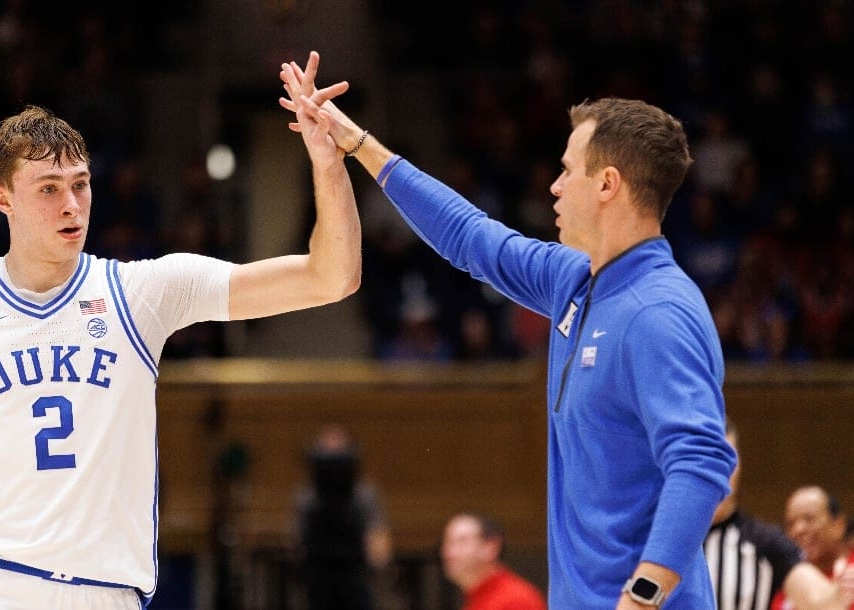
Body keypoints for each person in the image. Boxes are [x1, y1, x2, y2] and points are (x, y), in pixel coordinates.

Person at [0, 51, 362, 610]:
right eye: (48, 188)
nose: (71, 205)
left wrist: (327, 162)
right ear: (3, 198)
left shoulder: (145, 293)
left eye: (80, 184)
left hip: (108, 593)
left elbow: (331, 277)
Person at [280, 51, 737, 609]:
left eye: (568, 170)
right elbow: (470, 237)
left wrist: (643, 595)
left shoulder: (659, 311)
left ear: (607, 185)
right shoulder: (575, 278)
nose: (554, 186)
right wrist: (355, 144)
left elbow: (702, 461)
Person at [704, 418, 854, 609]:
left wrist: (840, 593)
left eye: (727, 459)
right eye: (705, 458)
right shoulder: (656, 533)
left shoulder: (765, 541)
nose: (716, 471)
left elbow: (819, 599)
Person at [291, 424, 392, 610]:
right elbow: (297, 544)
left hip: (357, 579)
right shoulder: (308, 497)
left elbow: (380, 548)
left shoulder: (364, 495)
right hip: (318, 583)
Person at [440, 511, 546, 610]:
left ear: (490, 547)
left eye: (462, 542)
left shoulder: (516, 600)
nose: (450, 552)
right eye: (448, 543)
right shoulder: (476, 599)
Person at [776, 487, 854, 610]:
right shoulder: (787, 584)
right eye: (790, 524)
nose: (798, 530)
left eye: (809, 519)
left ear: (839, 525)